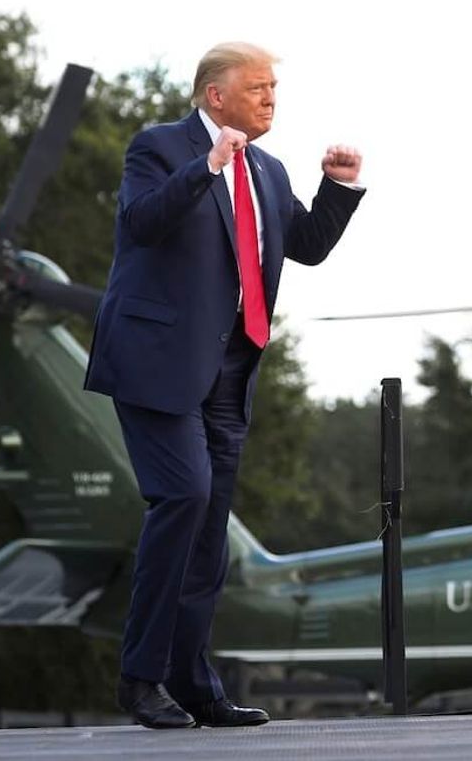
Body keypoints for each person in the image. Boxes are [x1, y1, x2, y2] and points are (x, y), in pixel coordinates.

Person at [84, 42, 365, 729]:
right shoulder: (158, 147)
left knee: (210, 533)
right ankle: (140, 679)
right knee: (184, 493)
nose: (272, 99)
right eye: (259, 88)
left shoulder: (266, 170)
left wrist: (339, 188)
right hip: (156, 360)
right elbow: (141, 222)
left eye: (275, 89)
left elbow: (303, 244)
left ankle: (194, 682)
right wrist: (205, 170)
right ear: (216, 95)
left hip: (230, 368)